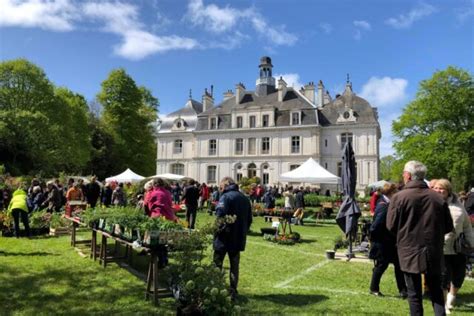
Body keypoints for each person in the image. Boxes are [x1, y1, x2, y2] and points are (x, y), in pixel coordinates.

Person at [387, 161, 453, 316]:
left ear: (408, 175)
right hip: (433, 250)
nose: (403, 175)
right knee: (436, 292)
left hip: (409, 250)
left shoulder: (399, 197)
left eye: (404, 173)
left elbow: (391, 226)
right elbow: (448, 226)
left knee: (414, 294)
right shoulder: (437, 198)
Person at [432, 179, 474, 314]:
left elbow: (467, 226)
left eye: (441, 188)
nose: (438, 190)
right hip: (441, 247)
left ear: (448, 190)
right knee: (444, 277)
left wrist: (471, 242)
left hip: (458, 247)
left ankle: (452, 296)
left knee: (459, 275)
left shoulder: (458, 205)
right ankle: (444, 304)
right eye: (436, 188)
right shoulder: (431, 203)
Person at [213, 177, 252, 300]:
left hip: (224, 236)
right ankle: (233, 290)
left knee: (217, 263)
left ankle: (215, 287)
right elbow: (249, 219)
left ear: (224, 185)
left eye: (221, 186)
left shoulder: (226, 197)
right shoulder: (245, 198)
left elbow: (220, 215)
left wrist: (216, 230)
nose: (220, 189)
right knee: (234, 265)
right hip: (238, 236)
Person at [369, 183, 407, 298]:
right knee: (381, 265)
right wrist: (375, 240)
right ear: (391, 193)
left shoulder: (386, 203)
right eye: (395, 192)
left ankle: (403, 290)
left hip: (390, 242)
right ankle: (374, 288)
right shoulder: (384, 205)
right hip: (383, 242)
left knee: (399, 266)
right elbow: (375, 226)